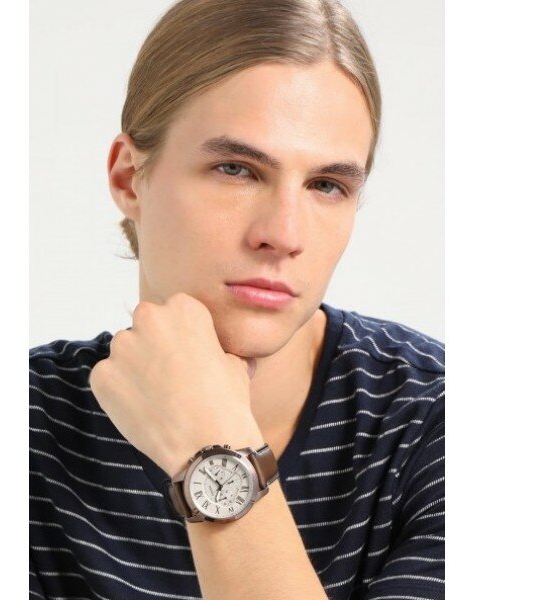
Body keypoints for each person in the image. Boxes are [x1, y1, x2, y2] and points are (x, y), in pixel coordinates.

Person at [29, 0, 445, 598]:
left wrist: (211, 448)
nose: (284, 234)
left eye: (327, 185)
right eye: (236, 169)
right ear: (128, 179)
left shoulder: (441, 422)